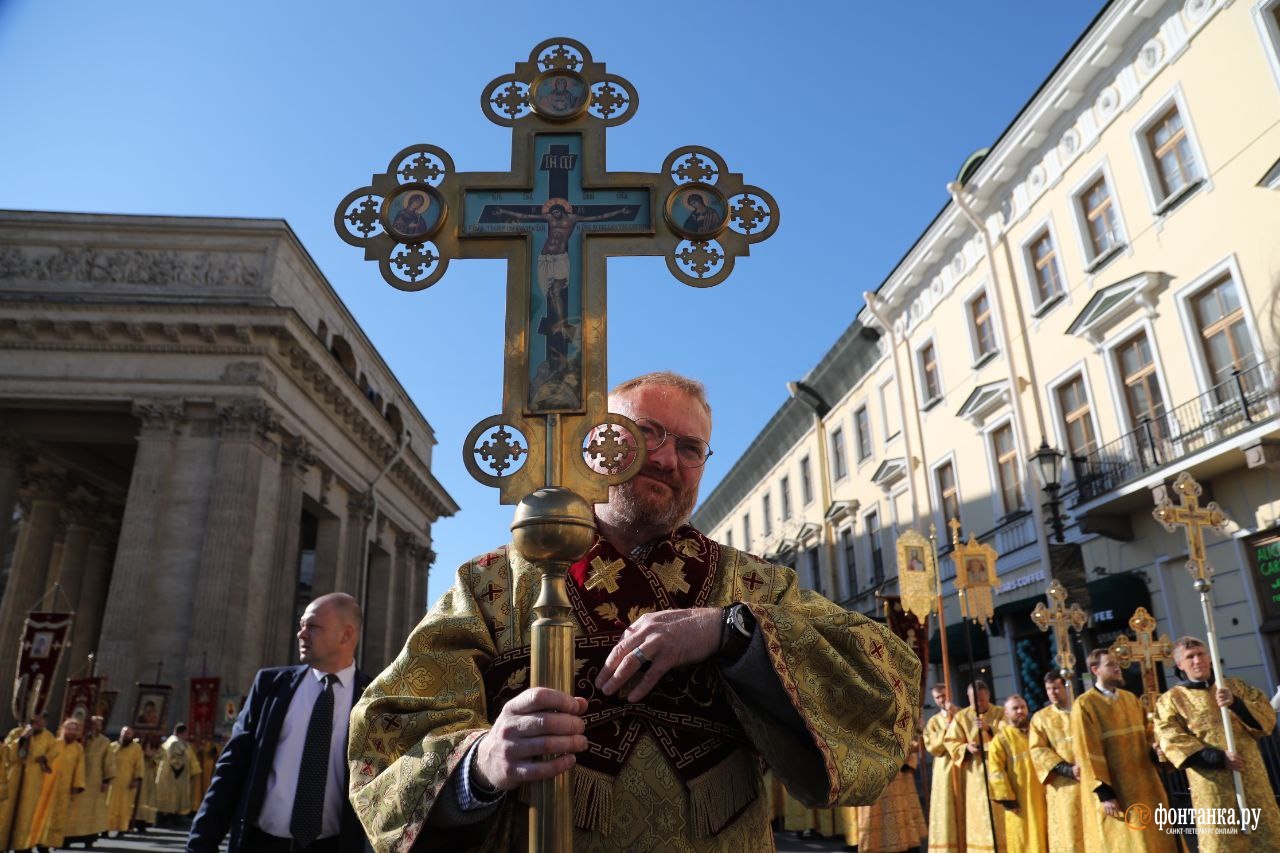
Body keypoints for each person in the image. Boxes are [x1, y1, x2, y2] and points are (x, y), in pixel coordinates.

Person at [347, 372, 921, 852]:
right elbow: (388, 732)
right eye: (644, 433)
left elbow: (888, 683)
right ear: (595, 444)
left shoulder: (753, 586)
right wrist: (481, 763)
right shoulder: (495, 582)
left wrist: (733, 632)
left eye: (691, 447)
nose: (668, 458)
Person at [187, 593, 372, 853]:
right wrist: (200, 845)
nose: (301, 634)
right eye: (301, 625)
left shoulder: (374, 700)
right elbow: (231, 769)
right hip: (261, 844)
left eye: (313, 627)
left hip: (334, 846)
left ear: (346, 635)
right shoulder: (270, 686)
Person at [1153, 636, 1279, 851]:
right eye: (1189, 657)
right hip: (1212, 784)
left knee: (1266, 837)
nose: (1197, 661)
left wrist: (1236, 704)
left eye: (1201, 654)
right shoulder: (1171, 700)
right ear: (1180, 665)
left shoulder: (1235, 686)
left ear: (1209, 658)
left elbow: (1267, 718)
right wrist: (1217, 758)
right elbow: (1171, 739)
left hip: (1251, 774)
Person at [1071, 648, 1176, 852]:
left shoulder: (1131, 699)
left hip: (1146, 784)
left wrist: (1155, 749)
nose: (1117, 668)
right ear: (1095, 670)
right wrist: (1104, 792)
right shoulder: (1085, 704)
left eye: (1117, 663)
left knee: (1157, 836)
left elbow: (1147, 734)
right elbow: (1087, 751)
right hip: (1117, 789)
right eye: (1110, 664)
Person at [943, 680, 1004, 853]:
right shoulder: (962, 717)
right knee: (980, 814)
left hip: (999, 770)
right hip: (975, 773)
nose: (978, 704)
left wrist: (990, 729)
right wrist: (966, 748)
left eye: (982, 700)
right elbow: (950, 741)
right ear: (968, 698)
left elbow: (1009, 735)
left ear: (988, 696)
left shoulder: (1000, 713)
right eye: (974, 700)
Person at [1027, 672, 1082, 852]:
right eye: (1049, 689)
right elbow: (1037, 749)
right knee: (1070, 832)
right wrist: (1066, 769)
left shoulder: (1081, 710)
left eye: (1056, 688)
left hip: (1088, 780)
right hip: (1063, 785)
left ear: (1066, 687)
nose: (1052, 693)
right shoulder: (1041, 718)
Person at [989, 695, 1046, 853]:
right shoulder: (1001, 739)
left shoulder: (1038, 731)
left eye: (1023, 707)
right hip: (1020, 801)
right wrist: (1007, 799)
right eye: (1015, 708)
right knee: (1024, 839)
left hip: (1044, 795)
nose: (1020, 711)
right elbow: (995, 771)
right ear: (1006, 713)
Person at [855, 728, 926, 853]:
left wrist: (919, 734)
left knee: (901, 818)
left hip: (897, 780)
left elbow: (912, 746)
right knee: (874, 823)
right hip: (872, 779)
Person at [27, 717, 86, 850]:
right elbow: (44, 759)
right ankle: (32, 841)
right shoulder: (54, 743)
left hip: (64, 787)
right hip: (46, 785)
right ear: (63, 729)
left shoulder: (78, 749)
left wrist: (77, 785)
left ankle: (47, 844)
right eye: (69, 728)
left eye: (74, 730)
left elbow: (80, 768)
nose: (71, 732)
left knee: (57, 816)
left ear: (77, 732)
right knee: (39, 813)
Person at [1, 715, 56, 852]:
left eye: (42, 721)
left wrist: (45, 759)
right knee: (6, 811)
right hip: (14, 777)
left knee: (27, 812)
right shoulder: (16, 732)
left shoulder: (49, 737)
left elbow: (54, 753)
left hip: (34, 779)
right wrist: (23, 739)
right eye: (36, 721)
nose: (39, 724)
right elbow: (7, 753)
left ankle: (22, 845)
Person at [923, 682, 962, 853]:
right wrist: (946, 728)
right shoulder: (933, 722)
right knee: (947, 804)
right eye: (938, 697)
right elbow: (932, 747)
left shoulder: (962, 714)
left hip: (962, 764)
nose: (941, 700)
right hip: (944, 767)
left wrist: (955, 719)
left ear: (950, 694)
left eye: (944, 696)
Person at [64, 715, 115, 845]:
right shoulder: (79, 739)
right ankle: (67, 838)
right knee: (72, 809)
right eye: (94, 724)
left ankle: (88, 838)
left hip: (94, 782)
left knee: (92, 811)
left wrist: (106, 780)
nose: (96, 727)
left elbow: (109, 762)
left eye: (99, 725)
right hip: (76, 779)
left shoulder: (105, 742)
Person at [106, 726, 143, 838]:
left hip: (127, 783)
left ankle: (122, 829)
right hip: (112, 783)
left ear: (132, 735)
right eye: (124, 733)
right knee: (108, 806)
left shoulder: (136, 748)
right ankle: (105, 829)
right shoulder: (112, 746)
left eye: (128, 734)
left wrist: (136, 779)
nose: (126, 735)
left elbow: (139, 765)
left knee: (124, 807)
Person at [155, 724, 191, 826]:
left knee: (166, 798)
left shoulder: (169, 740)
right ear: (182, 733)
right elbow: (175, 759)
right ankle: (171, 819)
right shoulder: (175, 742)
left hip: (165, 774)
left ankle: (165, 819)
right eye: (186, 734)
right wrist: (179, 770)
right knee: (172, 798)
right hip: (173, 776)